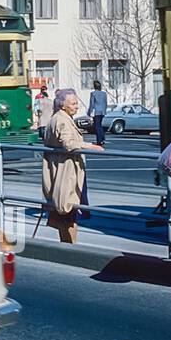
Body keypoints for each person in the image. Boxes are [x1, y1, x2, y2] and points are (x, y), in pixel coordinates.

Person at [40, 88, 103, 244]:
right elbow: (68, 144)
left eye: (76, 103)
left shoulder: (58, 118)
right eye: (73, 104)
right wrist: (90, 146)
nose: (76, 106)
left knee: (66, 211)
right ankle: (71, 246)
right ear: (63, 106)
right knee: (70, 211)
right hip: (67, 173)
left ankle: (68, 245)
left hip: (62, 170)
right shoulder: (62, 120)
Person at [88, 79, 109, 146]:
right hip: (102, 112)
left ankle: (99, 140)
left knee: (97, 126)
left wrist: (89, 112)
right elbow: (105, 103)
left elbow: (92, 104)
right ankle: (102, 138)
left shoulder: (93, 93)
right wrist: (104, 111)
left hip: (96, 112)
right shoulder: (104, 93)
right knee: (100, 125)